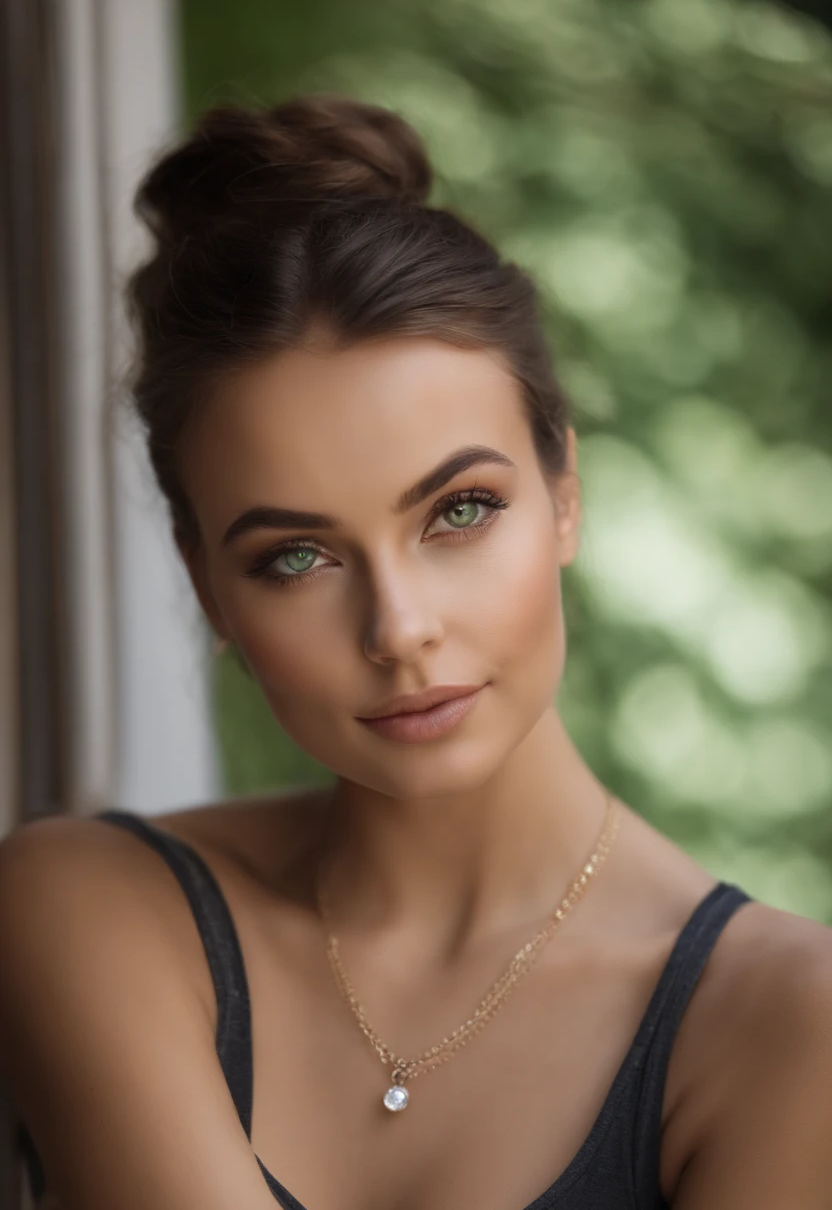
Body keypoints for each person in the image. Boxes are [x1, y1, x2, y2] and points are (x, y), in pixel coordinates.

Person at [1, 93, 831, 1210]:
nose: (398, 629)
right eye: (296, 558)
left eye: (458, 512)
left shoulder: (784, 1023)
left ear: (564, 497)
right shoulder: (89, 907)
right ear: (208, 587)